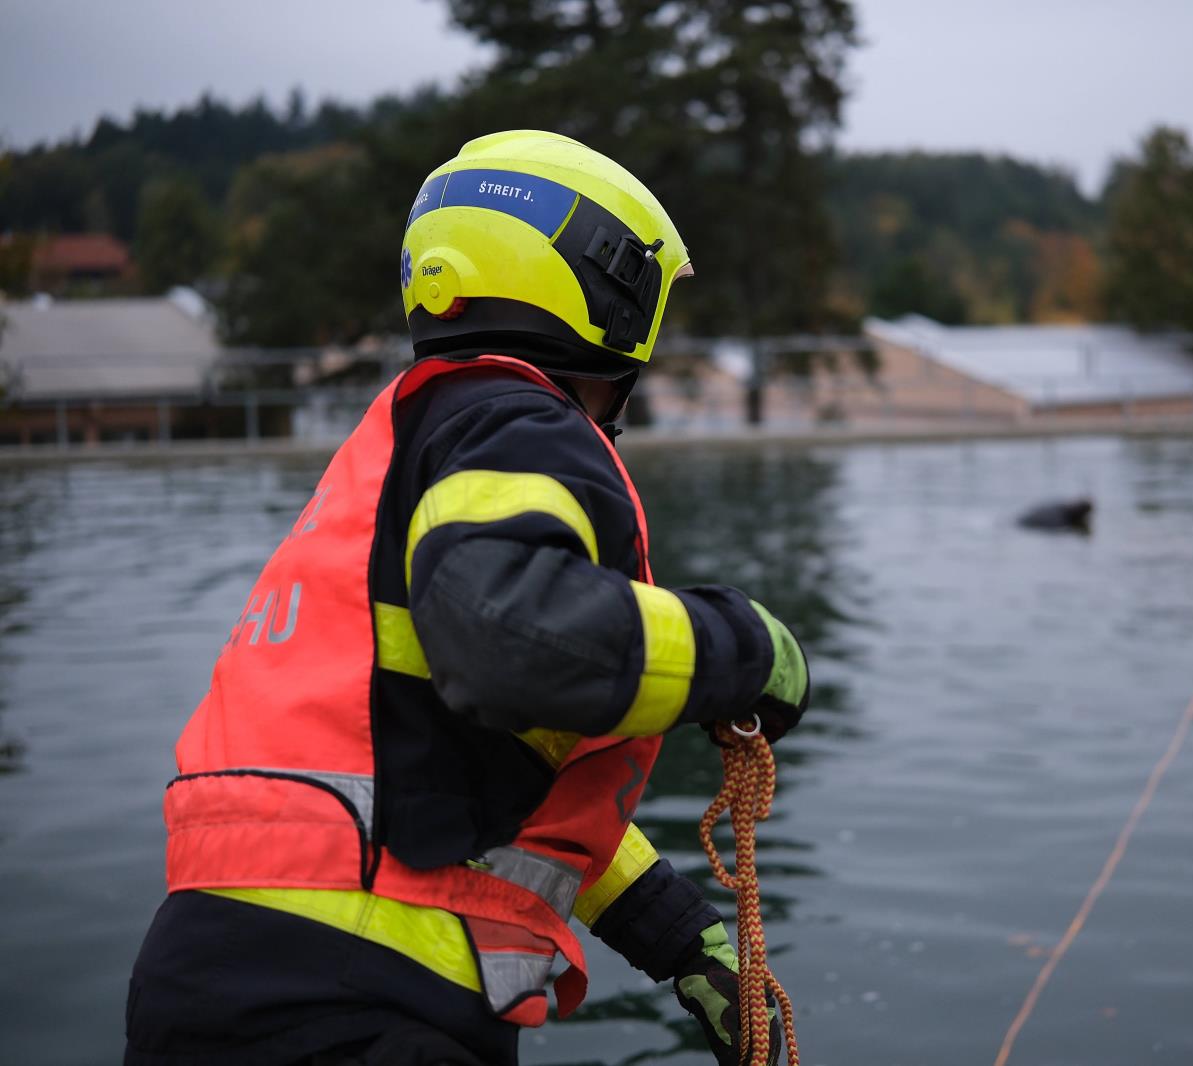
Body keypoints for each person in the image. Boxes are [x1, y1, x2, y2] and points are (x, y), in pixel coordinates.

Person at [125, 131, 810, 1066]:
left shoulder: (401, 451)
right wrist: (746, 650)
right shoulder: (520, 421)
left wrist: (681, 939)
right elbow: (518, 640)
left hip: (212, 975)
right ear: (607, 279)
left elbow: (465, 776)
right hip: (364, 998)